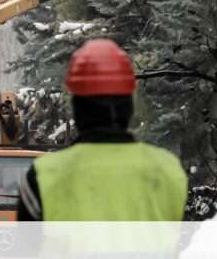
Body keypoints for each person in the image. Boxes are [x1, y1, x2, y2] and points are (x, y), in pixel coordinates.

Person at [17, 39, 188, 221]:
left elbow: (27, 247)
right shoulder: (168, 172)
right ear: (129, 106)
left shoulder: (43, 177)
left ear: (76, 107)